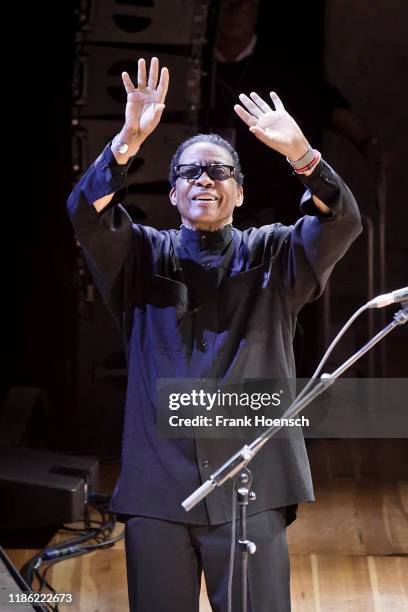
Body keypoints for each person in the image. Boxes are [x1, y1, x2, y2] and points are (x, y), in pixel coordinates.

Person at [67, 57, 362, 611]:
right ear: (173, 195)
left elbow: (341, 221)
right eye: (188, 174)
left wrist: (302, 156)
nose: (203, 179)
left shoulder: (275, 254)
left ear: (241, 193)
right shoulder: (138, 256)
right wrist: (125, 145)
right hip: (159, 489)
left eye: (220, 171)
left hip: (254, 488)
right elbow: (86, 213)